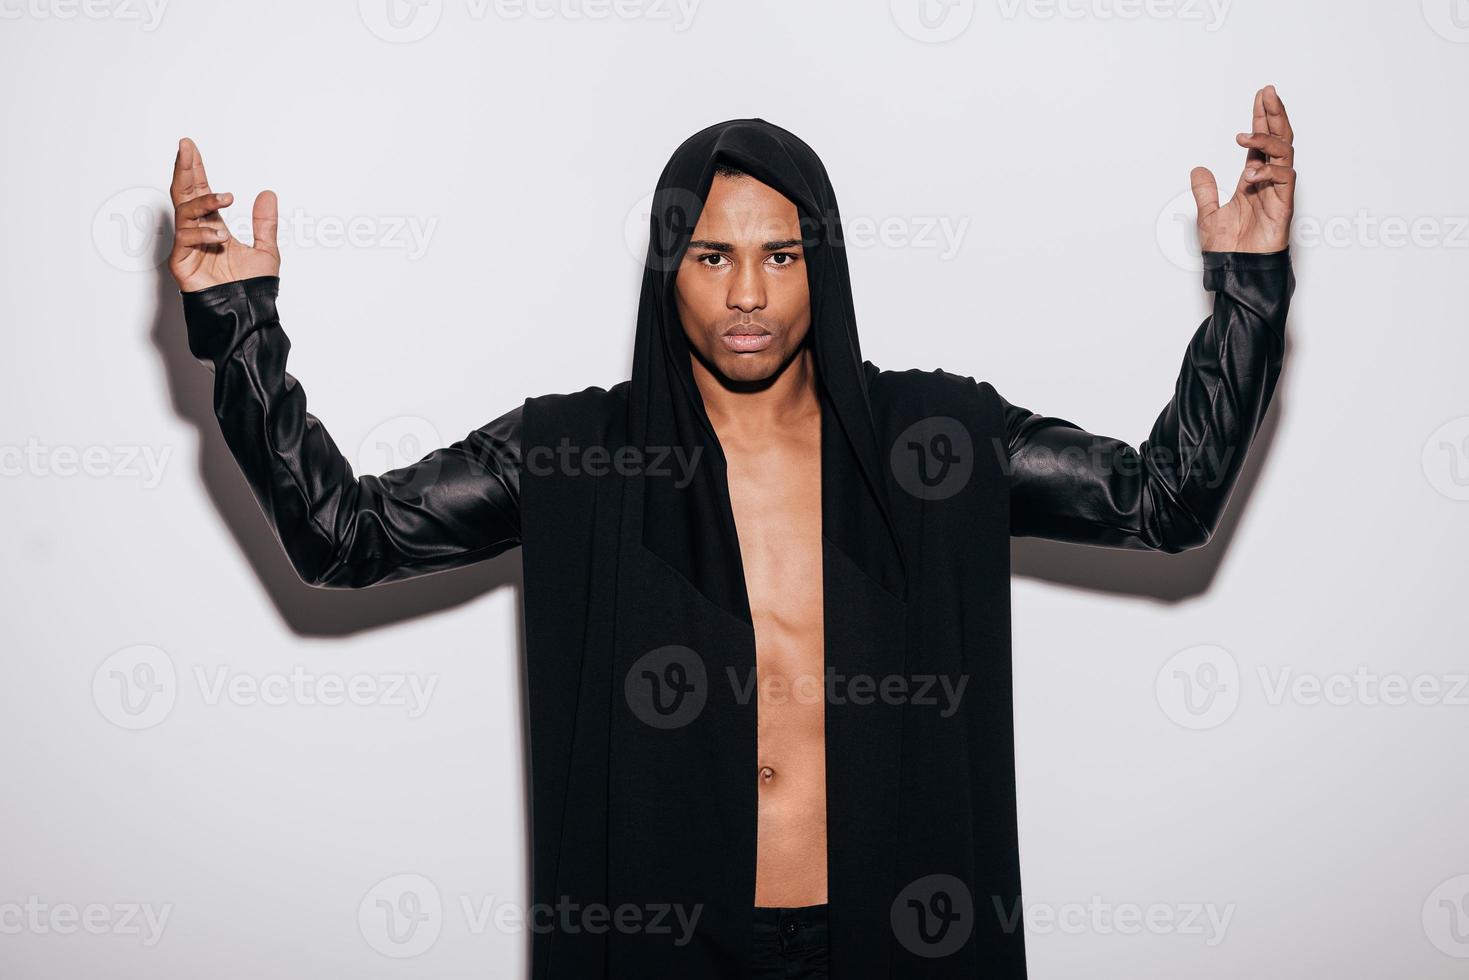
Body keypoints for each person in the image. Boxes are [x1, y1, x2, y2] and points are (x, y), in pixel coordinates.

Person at [168, 87, 1296, 980]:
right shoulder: (574, 450)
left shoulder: (935, 439)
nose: (746, 292)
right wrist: (237, 329)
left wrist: (1246, 287)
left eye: (780, 254)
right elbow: (347, 536)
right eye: (711, 256)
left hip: (899, 938)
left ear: (824, 265)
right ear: (670, 269)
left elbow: (1161, 500)